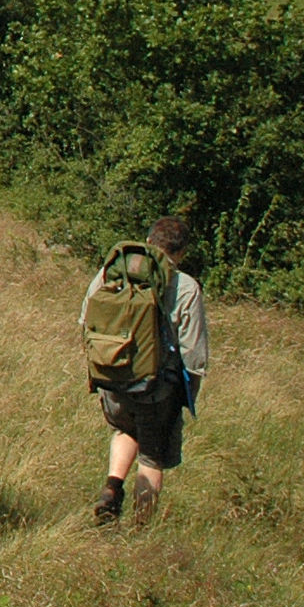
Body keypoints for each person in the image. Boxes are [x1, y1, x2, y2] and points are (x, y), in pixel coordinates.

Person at [93, 215, 209, 525]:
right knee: (152, 457)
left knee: (125, 429)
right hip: (157, 388)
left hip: (113, 378)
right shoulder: (185, 287)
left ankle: (111, 488)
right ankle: (139, 530)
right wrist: (188, 396)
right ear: (182, 252)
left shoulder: (113, 270)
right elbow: (194, 354)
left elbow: (86, 323)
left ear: (149, 240)